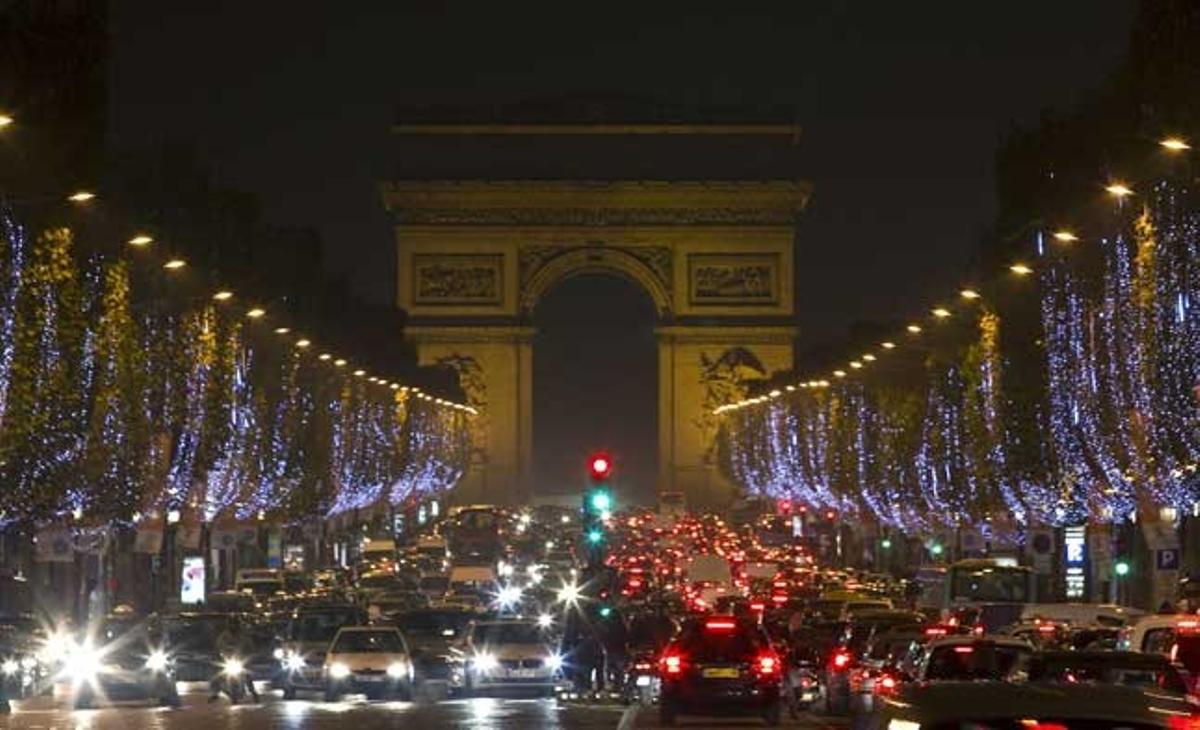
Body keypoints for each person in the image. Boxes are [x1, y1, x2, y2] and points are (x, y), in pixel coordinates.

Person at [209, 621, 259, 703]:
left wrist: (249, 654)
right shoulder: (224, 636)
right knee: (216, 677)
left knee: (247, 676)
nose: (233, 628)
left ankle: (253, 693)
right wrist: (219, 654)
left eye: (235, 626)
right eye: (232, 626)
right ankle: (214, 693)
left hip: (240, 660)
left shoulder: (243, 636)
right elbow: (218, 646)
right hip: (227, 660)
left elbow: (250, 646)